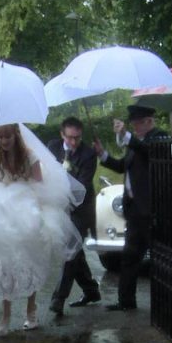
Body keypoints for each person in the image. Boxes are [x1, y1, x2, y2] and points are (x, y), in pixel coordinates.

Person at [0, 124, 83, 336]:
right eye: (0, 138)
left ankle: (31, 310)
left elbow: (40, 183)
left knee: (30, 257)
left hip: (26, 204)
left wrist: (24, 190)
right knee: (4, 259)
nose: (4, 142)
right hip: (2, 204)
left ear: (15, 136)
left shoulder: (30, 156)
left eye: (7, 137)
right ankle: (6, 313)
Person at [100, 105, 166, 311]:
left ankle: (166, 305)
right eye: (133, 124)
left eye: (138, 123)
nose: (135, 127)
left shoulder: (159, 137)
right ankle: (126, 301)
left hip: (150, 211)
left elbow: (147, 151)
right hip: (134, 211)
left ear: (149, 121)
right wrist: (103, 155)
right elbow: (123, 166)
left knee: (161, 259)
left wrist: (125, 135)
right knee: (129, 258)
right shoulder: (135, 144)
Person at [47, 117, 104, 315]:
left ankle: (58, 298)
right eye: (70, 138)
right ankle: (91, 290)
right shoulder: (53, 147)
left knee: (70, 250)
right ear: (62, 134)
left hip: (81, 208)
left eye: (77, 138)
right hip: (58, 208)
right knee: (76, 253)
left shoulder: (88, 154)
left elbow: (84, 184)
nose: (73, 142)